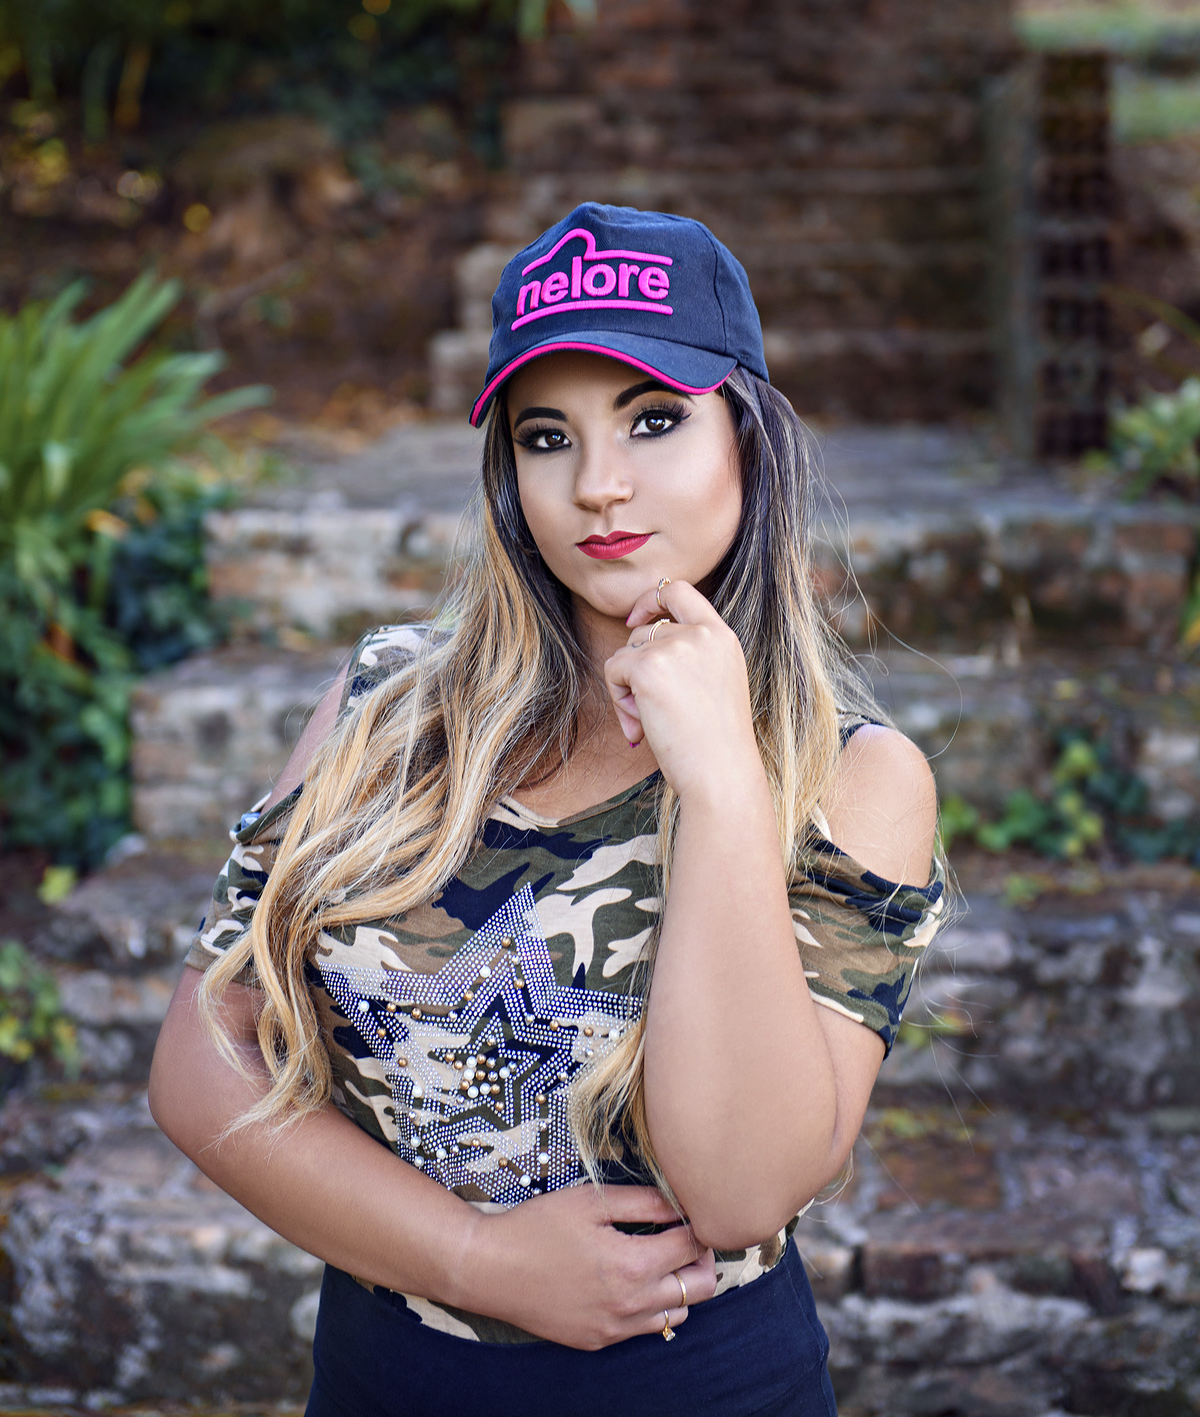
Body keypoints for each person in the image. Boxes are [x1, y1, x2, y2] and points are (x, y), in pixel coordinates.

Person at [150, 202, 945, 1417]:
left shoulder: (854, 778)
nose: (598, 485)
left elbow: (742, 1191)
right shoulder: (385, 705)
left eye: (654, 418)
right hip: (381, 1380)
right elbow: (202, 1064)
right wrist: (474, 1258)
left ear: (749, 435)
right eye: (545, 435)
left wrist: (722, 783)